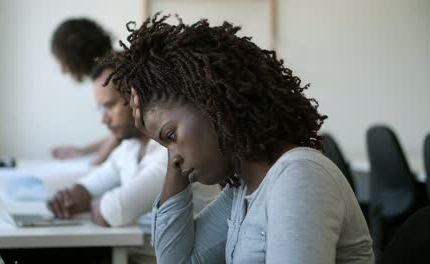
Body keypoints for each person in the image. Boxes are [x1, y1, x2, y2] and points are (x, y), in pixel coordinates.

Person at [103, 14, 375, 263]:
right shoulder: (243, 190)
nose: (176, 159)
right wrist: (165, 144)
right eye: (165, 145)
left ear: (212, 102)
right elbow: (179, 261)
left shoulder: (298, 176)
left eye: (172, 136)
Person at [47, 63, 220, 227]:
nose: (104, 119)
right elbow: (87, 187)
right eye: (101, 109)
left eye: (109, 106)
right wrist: (69, 199)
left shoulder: (172, 149)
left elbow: (112, 212)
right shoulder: (129, 148)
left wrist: (92, 203)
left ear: (135, 98)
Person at [50, 18, 119, 166]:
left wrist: (96, 163)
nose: (63, 70)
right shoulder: (109, 68)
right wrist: (84, 151)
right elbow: (117, 133)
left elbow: (122, 133)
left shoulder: (112, 73)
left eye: (63, 62)